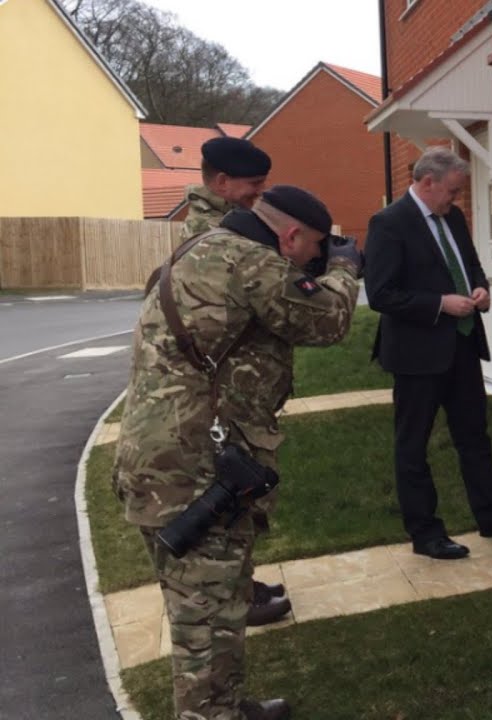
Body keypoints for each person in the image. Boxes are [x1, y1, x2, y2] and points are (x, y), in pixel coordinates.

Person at [113, 185, 362, 720]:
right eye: (312, 246)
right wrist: (344, 266)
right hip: (194, 470)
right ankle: (209, 713)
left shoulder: (197, 249)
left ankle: (223, 707)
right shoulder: (253, 263)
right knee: (206, 619)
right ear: (290, 236)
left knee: (214, 606)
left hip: (156, 458)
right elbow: (330, 320)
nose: (312, 257)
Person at [364, 147, 492, 560]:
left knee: (474, 437)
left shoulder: (453, 218)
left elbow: (471, 265)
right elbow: (381, 294)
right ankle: (426, 533)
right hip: (416, 355)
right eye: (453, 191)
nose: (456, 199)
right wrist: (440, 303)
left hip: (461, 346)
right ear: (428, 182)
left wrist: (481, 289)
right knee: (413, 445)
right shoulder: (389, 223)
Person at [176, 136, 291, 625]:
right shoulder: (219, 236)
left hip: (236, 387)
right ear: (222, 182)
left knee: (240, 496)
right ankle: (236, 597)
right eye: (253, 186)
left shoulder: (223, 226)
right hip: (227, 394)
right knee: (235, 497)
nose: (259, 195)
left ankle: (242, 584)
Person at [182, 136, 271, 241]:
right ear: (222, 182)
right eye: (255, 183)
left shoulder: (234, 212)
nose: (262, 190)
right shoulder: (214, 234)